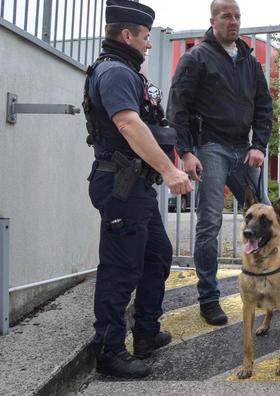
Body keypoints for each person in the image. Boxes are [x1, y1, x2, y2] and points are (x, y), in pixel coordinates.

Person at [167, 0, 280, 326]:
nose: (234, 21)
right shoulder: (195, 58)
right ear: (212, 20)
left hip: (244, 150)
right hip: (210, 147)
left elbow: (263, 107)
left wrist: (258, 145)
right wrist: (185, 152)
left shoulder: (249, 62)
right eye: (226, 16)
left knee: (269, 218)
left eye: (237, 16)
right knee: (210, 223)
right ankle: (209, 298)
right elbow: (177, 107)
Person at [84, 0, 192, 378]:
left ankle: (145, 332)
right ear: (127, 35)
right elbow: (129, 124)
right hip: (121, 183)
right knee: (121, 268)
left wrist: (179, 157)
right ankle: (110, 352)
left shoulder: (128, 72)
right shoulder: (115, 72)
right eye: (145, 38)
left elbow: (154, 124)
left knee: (157, 255)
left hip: (136, 185)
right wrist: (169, 170)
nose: (149, 44)